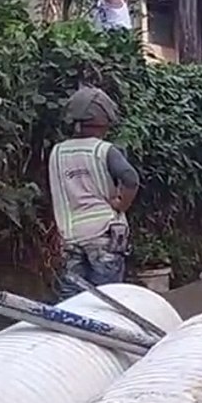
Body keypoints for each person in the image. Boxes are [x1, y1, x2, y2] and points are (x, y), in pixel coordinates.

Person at [50, 86, 139, 299]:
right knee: (108, 300)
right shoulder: (104, 150)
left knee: (72, 303)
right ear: (104, 119)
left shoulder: (57, 152)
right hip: (104, 236)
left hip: (69, 236)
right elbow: (131, 179)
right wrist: (121, 204)